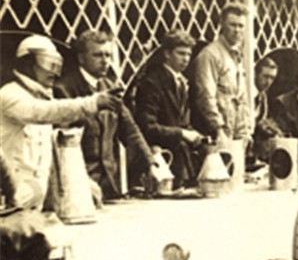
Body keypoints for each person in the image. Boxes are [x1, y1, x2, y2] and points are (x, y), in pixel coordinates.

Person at [0, 35, 122, 210]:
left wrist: (82, 183)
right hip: (8, 203)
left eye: (57, 65)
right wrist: (92, 103)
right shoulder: (10, 95)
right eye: (47, 63)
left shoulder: (41, 98)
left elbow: (53, 155)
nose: (54, 71)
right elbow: (41, 112)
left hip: (32, 206)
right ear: (27, 64)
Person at [55, 30, 157, 203]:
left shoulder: (109, 86)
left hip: (109, 184)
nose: (105, 62)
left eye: (108, 55)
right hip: (78, 182)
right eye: (98, 55)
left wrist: (150, 164)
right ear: (81, 58)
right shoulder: (64, 89)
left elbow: (129, 128)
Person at [134, 30, 205, 190]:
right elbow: (147, 127)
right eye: (181, 53)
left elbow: (182, 120)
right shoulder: (152, 83)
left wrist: (194, 134)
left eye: (188, 54)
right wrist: (182, 133)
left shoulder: (183, 82)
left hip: (183, 162)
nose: (186, 59)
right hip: (162, 161)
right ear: (167, 54)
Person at [191, 2, 251, 145]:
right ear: (222, 24)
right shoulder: (210, 55)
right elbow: (205, 96)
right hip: (215, 133)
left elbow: (241, 98)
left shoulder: (236, 56)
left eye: (241, 26)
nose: (237, 30)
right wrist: (218, 129)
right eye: (233, 25)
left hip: (235, 134)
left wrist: (246, 130)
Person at [252, 56, 282, 163]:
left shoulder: (263, 96)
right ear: (255, 74)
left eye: (272, 78)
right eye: (265, 76)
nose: (268, 82)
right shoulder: (246, 93)